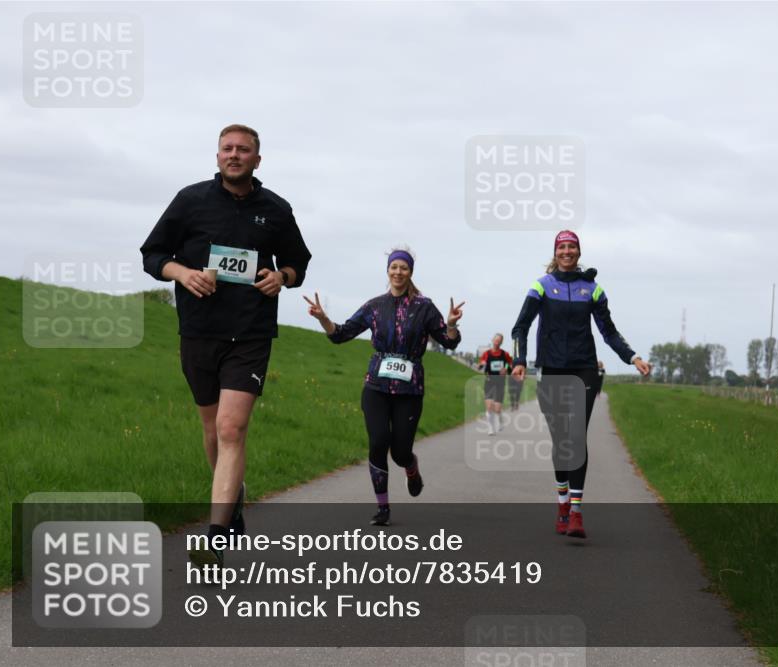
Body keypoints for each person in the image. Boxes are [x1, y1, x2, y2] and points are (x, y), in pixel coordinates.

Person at [141, 124, 312, 567]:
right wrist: (182, 273)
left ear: (257, 159)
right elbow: (152, 255)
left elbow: (298, 262)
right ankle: (232, 499)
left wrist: (282, 277)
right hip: (199, 330)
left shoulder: (276, 209)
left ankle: (215, 539)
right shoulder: (190, 200)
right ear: (218, 156)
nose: (234, 155)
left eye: (243, 150)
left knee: (232, 428)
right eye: (227, 149)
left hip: (251, 332)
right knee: (213, 430)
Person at [305, 248, 464, 526]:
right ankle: (382, 508)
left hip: (409, 391)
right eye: (394, 267)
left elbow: (449, 342)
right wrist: (323, 318)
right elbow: (341, 334)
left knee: (400, 452)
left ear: (410, 272)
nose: (398, 272)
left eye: (404, 267)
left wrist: (450, 325)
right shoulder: (375, 306)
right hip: (376, 386)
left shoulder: (424, 307)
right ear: (388, 270)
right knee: (378, 442)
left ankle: (411, 467)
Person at [510, 230, 651, 539]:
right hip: (551, 370)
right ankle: (562, 504)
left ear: (579, 251)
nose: (567, 251)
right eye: (562, 247)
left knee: (575, 438)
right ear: (555, 252)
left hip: (584, 369)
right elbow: (521, 327)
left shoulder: (593, 290)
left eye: (572, 247)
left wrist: (633, 357)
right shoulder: (542, 286)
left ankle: (575, 512)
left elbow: (608, 332)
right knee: (562, 441)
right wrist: (519, 360)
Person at [477, 334, 512, 433]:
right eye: (496, 340)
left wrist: (506, 369)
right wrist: (481, 365)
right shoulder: (487, 354)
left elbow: (510, 365)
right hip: (489, 382)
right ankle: (490, 428)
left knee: (497, 409)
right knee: (489, 407)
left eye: (499, 341)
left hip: (500, 383)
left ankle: (500, 421)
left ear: (501, 342)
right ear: (492, 340)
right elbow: (480, 366)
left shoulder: (505, 354)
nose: (497, 342)